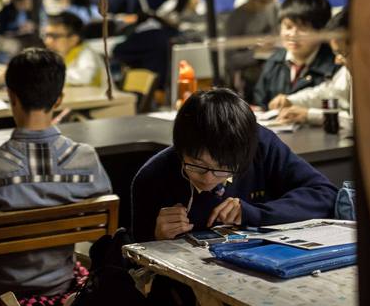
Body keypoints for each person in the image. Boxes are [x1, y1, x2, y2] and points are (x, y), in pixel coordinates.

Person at [0, 47, 111, 300]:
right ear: (59, 100)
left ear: (11, 96)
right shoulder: (86, 160)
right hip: (61, 283)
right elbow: (103, 231)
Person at [130, 88, 336, 242]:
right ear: (180, 150)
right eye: (197, 166)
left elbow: (324, 195)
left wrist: (253, 214)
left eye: (222, 168)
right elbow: (134, 259)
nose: (208, 178)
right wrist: (156, 237)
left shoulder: (260, 145)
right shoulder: (153, 176)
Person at [252, 0, 339, 109]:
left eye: (303, 28)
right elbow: (260, 103)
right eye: (288, 26)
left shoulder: (335, 65)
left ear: (322, 31)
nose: (293, 34)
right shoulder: (273, 62)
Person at [278, 9, 352, 135]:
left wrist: (309, 115)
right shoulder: (349, 70)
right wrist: (291, 100)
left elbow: (361, 125)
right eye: (288, 27)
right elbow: (330, 91)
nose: (337, 61)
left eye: (342, 53)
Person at [42, 11, 103, 89]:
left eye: (54, 36)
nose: (47, 41)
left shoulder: (86, 53)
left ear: (74, 39)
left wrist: (48, 76)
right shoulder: (57, 55)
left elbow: (85, 76)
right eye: (46, 35)